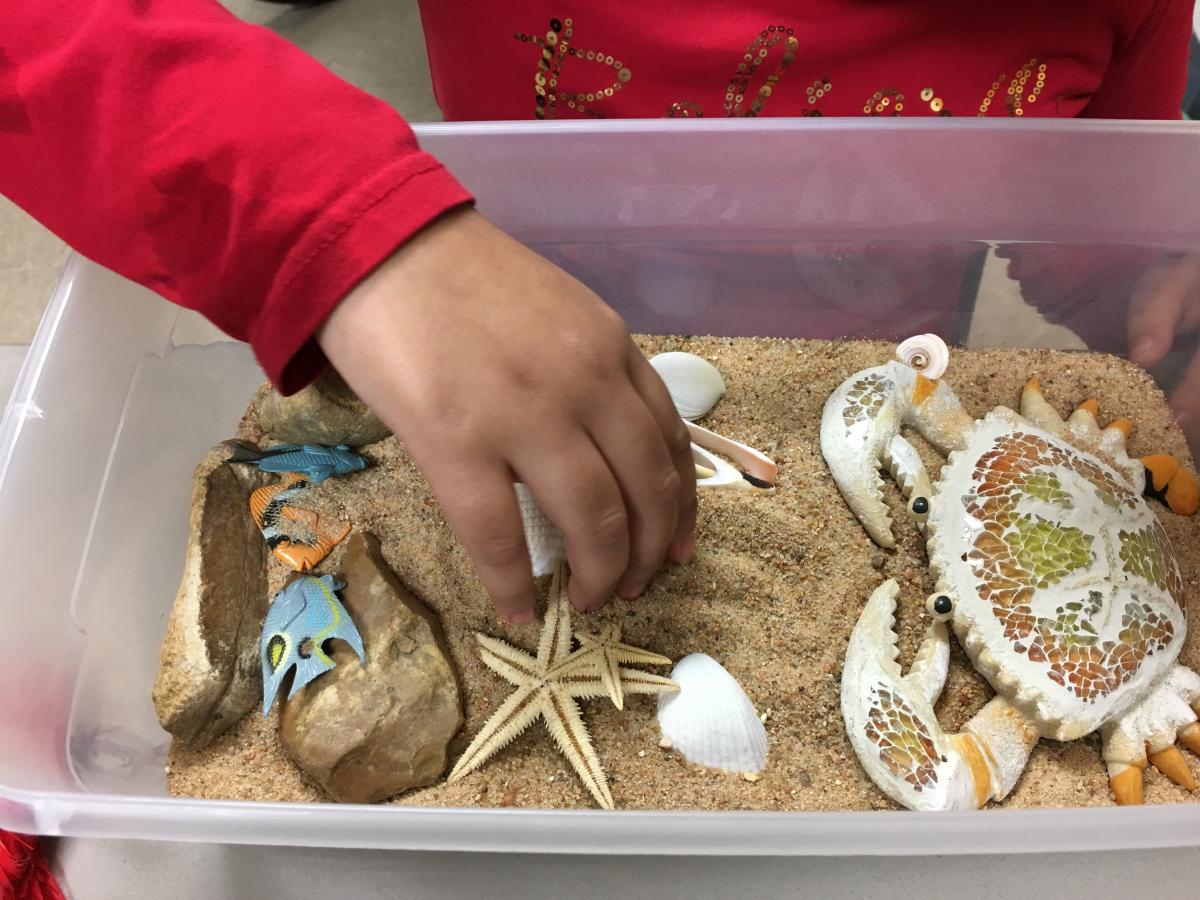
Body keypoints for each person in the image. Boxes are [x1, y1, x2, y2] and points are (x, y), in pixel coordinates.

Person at [1, 0, 1195, 625]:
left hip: (862, 370)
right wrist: (342, 222)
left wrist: (1152, 300)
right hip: (481, 360)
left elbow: (1090, 206)